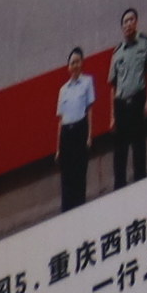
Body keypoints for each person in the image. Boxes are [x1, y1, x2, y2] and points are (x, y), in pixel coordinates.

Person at [106, 9, 147, 189]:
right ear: (122, 27)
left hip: (137, 101)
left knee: (139, 146)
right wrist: (112, 116)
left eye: (131, 20)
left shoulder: (144, 43)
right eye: (125, 21)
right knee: (120, 151)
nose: (128, 24)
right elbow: (113, 86)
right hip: (121, 105)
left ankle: (140, 184)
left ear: (136, 22)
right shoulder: (117, 53)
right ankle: (120, 187)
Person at [53, 48, 95, 212]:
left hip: (80, 130)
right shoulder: (63, 90)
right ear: (68, 67)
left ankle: (79, 209)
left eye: (77, 61)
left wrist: (89, 135)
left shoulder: (87, 82)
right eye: (72, 63)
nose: (75, 65)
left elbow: (89, 110)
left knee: (79, 173)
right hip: (66, 134)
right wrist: (58, 148)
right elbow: (60, 120)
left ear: (81, 63)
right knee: (66, 176)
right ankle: (67, 211)